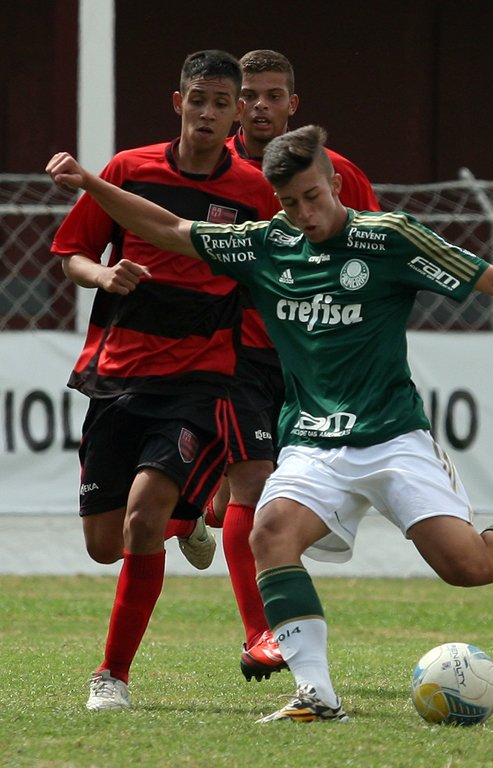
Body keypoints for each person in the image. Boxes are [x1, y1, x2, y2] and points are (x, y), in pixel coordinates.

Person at [46, 125, 493, 723]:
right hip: (315, 442)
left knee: (466, 566)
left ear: (334, 185)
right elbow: (168, 226)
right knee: (270, 533)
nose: (304, 213)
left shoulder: (389, 238)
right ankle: (316, 696)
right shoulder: (268, 243)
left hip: (393, 437)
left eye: (313, 197)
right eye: (289, 202)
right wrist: (90, 184)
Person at [49, 50, 278, 712]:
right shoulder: (128, 171)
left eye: (221, 103)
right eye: (197, 99)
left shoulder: (255, 193)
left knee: (144, 516)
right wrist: (105, 276)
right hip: (120, 376)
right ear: (178, 102)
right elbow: (71, 255)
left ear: (238, 115)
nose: (207, 112)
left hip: (202, 379)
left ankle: (111, 675)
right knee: (105, 545)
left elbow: (267, 273)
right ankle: (189, 521)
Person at [207, 49, 380, 682]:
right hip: (239, 352)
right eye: (248, 94)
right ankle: (264, 634)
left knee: (258, 496)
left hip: (316, 361)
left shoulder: (341, 174)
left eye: (272, 95)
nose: (259, 106)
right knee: (252, 487)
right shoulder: (213, 172)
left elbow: (376, 250)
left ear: (292, 105)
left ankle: (206, 501)